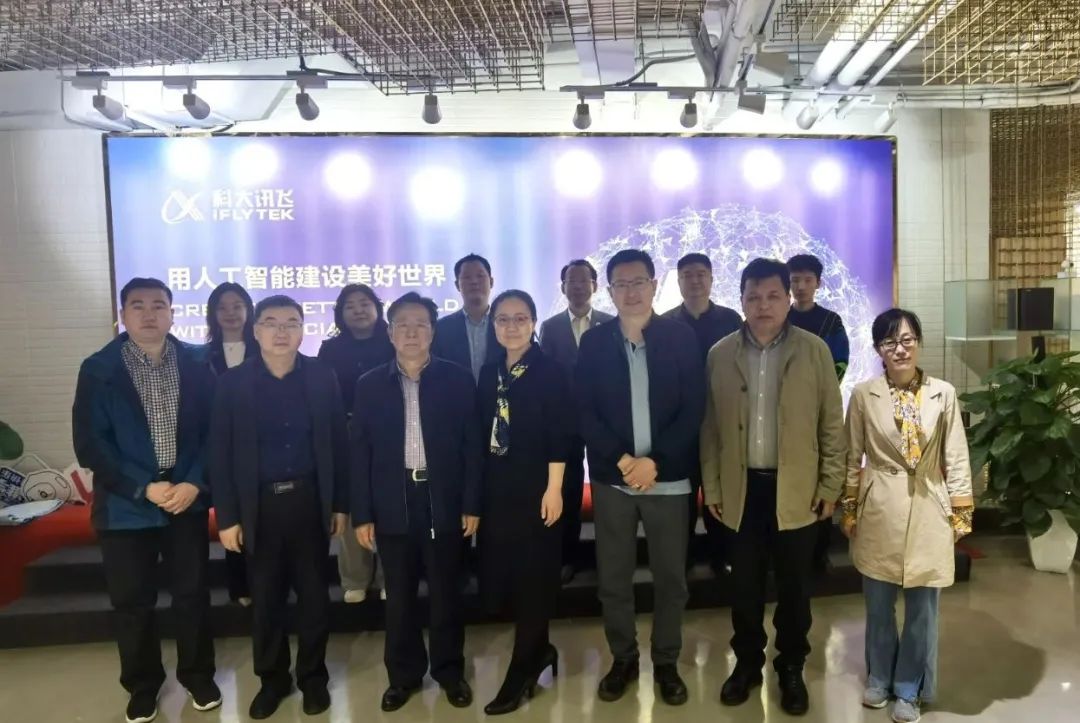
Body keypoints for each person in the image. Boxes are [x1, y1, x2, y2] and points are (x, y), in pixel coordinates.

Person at [700, 258, 846, 716]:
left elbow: (831, 424)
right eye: (753, 296)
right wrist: (713, 488)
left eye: (772, 296)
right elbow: (710, 429)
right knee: (743, 586)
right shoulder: (720, 354)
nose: (763, 305)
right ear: (741, 300)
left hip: (797, 490)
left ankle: (791, 666)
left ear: (788, 299)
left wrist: (831, 485)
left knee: (795, 588)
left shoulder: (814, 351)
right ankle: (747, 664)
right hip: (741, 491)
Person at [73, 277, 219, 723]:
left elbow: (215, 431)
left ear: (173, 313)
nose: (149, 313)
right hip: (126, 506)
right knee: (132, 602)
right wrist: (143, 487)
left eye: (159, 305)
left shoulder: (198, 362)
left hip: (185, 499)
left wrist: (194, 482)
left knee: (192, 595)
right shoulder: (99, 369)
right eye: (138, 305)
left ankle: (198, 676)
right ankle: (142, 685)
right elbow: (91, 444)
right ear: (123, 315)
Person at [210, 295, 350, 720]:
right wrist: (228, 517)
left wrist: (339, 504)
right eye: (271, 323)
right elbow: (220, 454)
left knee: (314, 598)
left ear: (303, 329)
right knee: (266, 599)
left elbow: (337, 444)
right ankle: (272, 680)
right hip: (259, 507)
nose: (281, 331)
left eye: (291, 322)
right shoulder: (232, 383)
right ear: (255, 331)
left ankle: (312, 678)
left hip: (309, 501)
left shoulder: (322, 377)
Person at [576, 249, 705, 706]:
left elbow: (694, 407)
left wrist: (656, 462)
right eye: (621, 284)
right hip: (613, 481)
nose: (630, 292)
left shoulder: (681, 337)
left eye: (638, 282)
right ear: (608, 292)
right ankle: (624, 658)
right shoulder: (594, 342)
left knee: (671, 579)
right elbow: (585, 409)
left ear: (654, 285)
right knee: (614, 578)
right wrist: (622, 460)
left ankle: (666, 662)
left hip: (669, 482)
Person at [840, 308, 973, 723]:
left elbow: (956, 455)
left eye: (907, 340)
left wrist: (960, 511)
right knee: (878, 605)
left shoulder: (943, 393)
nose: (899, 349)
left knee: (922, 610)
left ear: (918, 343)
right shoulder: (864, 395)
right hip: (880, 505)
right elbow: (851, 456)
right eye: (889, 342)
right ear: (878, 349)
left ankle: (909, 688)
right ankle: (879, 677)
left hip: (929, 503)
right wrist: (849, 507)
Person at [351, 292, 481, 713]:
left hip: (443, 497)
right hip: (393, 499)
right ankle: (403, 676)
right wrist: (362, 513)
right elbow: (360, 454)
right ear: (390, 333)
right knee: (400, 598)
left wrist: (471, 503)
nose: (411, 332)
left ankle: (449, 672)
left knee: (446, 594)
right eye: (402, 325)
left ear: (432, 331)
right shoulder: (369, 385)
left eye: (420, 324)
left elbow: (472, 447)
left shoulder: (458, 379)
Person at [478, 290, 574, 715]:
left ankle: (520, 671)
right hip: (499, 489)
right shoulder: (490, 372)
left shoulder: (550, 371)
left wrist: (554, 489)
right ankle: (541, 650)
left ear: (534, 323)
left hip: (540, 487)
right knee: (515, 578)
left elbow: (561, 433)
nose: (511, 326)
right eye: (503, 319)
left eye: (520, 318)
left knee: (536, 577)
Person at [661, 252, 742, 575]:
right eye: (687, 275)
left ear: (711, 278)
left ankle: (721, 556)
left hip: (721, 421)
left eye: (700, 274)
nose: (694, 281)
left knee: (719, 492)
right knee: (681, 498)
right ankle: (682, 560)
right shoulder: (664, 323)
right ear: (678, 281)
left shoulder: (731, 319)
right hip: (680, 425)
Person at [318, 284, 395, 604]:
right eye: (350, 306)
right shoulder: (330, 350)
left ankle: (390, 575)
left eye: (364, 303)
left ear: (377, 307)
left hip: (390, 430)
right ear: (340, 313)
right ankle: (355, 577)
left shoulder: (393, 341)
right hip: (346, 432)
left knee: (390, 502)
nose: (358, 310)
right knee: (351, 502)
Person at [538, 259, 614, 584]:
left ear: (595, 286)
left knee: (606, 489)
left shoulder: (611, 323)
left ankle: (608, 558)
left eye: (585, 280)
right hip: (565, 421)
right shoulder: (550, 327)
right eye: (572, 281)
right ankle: (566, 557)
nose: (579, 286)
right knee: (567, 490)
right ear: (563, 287)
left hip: (603, 420)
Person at [203, 281, 259, 608]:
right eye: (222, 307)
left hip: (260, 448)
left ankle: (268, 582)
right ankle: (240, 586)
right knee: (230, 517)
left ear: (249, 310)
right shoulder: (201, 356)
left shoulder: (264, 350)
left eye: (237, 306)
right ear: (212, 313)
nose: (230, 313)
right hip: (222, 448)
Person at [432, 253, 500, 382]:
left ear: (491, 282)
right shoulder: (441, 328)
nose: (474, 282)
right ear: (457, 285)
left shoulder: (506, 325)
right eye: (467, 277)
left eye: (480, 276)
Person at [786, 254, 849, 381]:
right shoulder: (779, 318)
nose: (801, 287)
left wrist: (824, 389)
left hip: (819, 390)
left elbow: (841, 362)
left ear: (818, 283)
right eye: (795, 280)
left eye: (808, 280)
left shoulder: (831, 321)